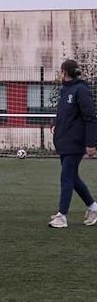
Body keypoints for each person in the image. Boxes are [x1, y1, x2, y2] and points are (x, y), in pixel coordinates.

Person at [48, 59, 97, 228]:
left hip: (74, 142)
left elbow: (90, 117)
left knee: (66, 177)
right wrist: (55, 123)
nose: (59, 74)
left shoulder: (81, 90)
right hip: (64, 141)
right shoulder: (65, 90)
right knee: (73, 178)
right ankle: (93, 207)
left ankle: (62, 216)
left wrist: (91, 143)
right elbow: (63, 112)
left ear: (65, 72)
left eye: (61, 71)